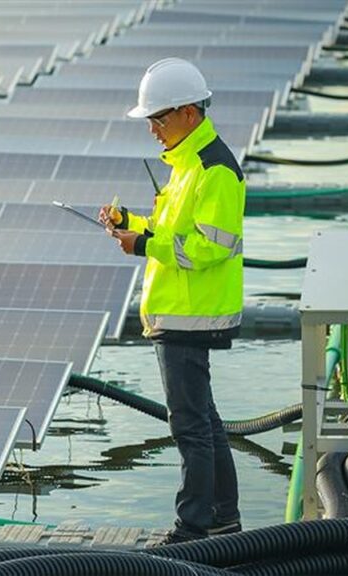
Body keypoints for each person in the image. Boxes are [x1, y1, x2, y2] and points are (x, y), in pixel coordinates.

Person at [99, 57, 245, 545]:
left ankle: (193, 527)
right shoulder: (187, 164)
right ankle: (223, 518)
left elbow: (210, 248)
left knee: (190, 427)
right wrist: (131, 223)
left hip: (191, 316)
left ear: (188, 112)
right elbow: (170, 232)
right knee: (203, 420)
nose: (153, 130)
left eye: (158, 119)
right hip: (180, 313)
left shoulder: (214, 169)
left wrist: (143, 245)